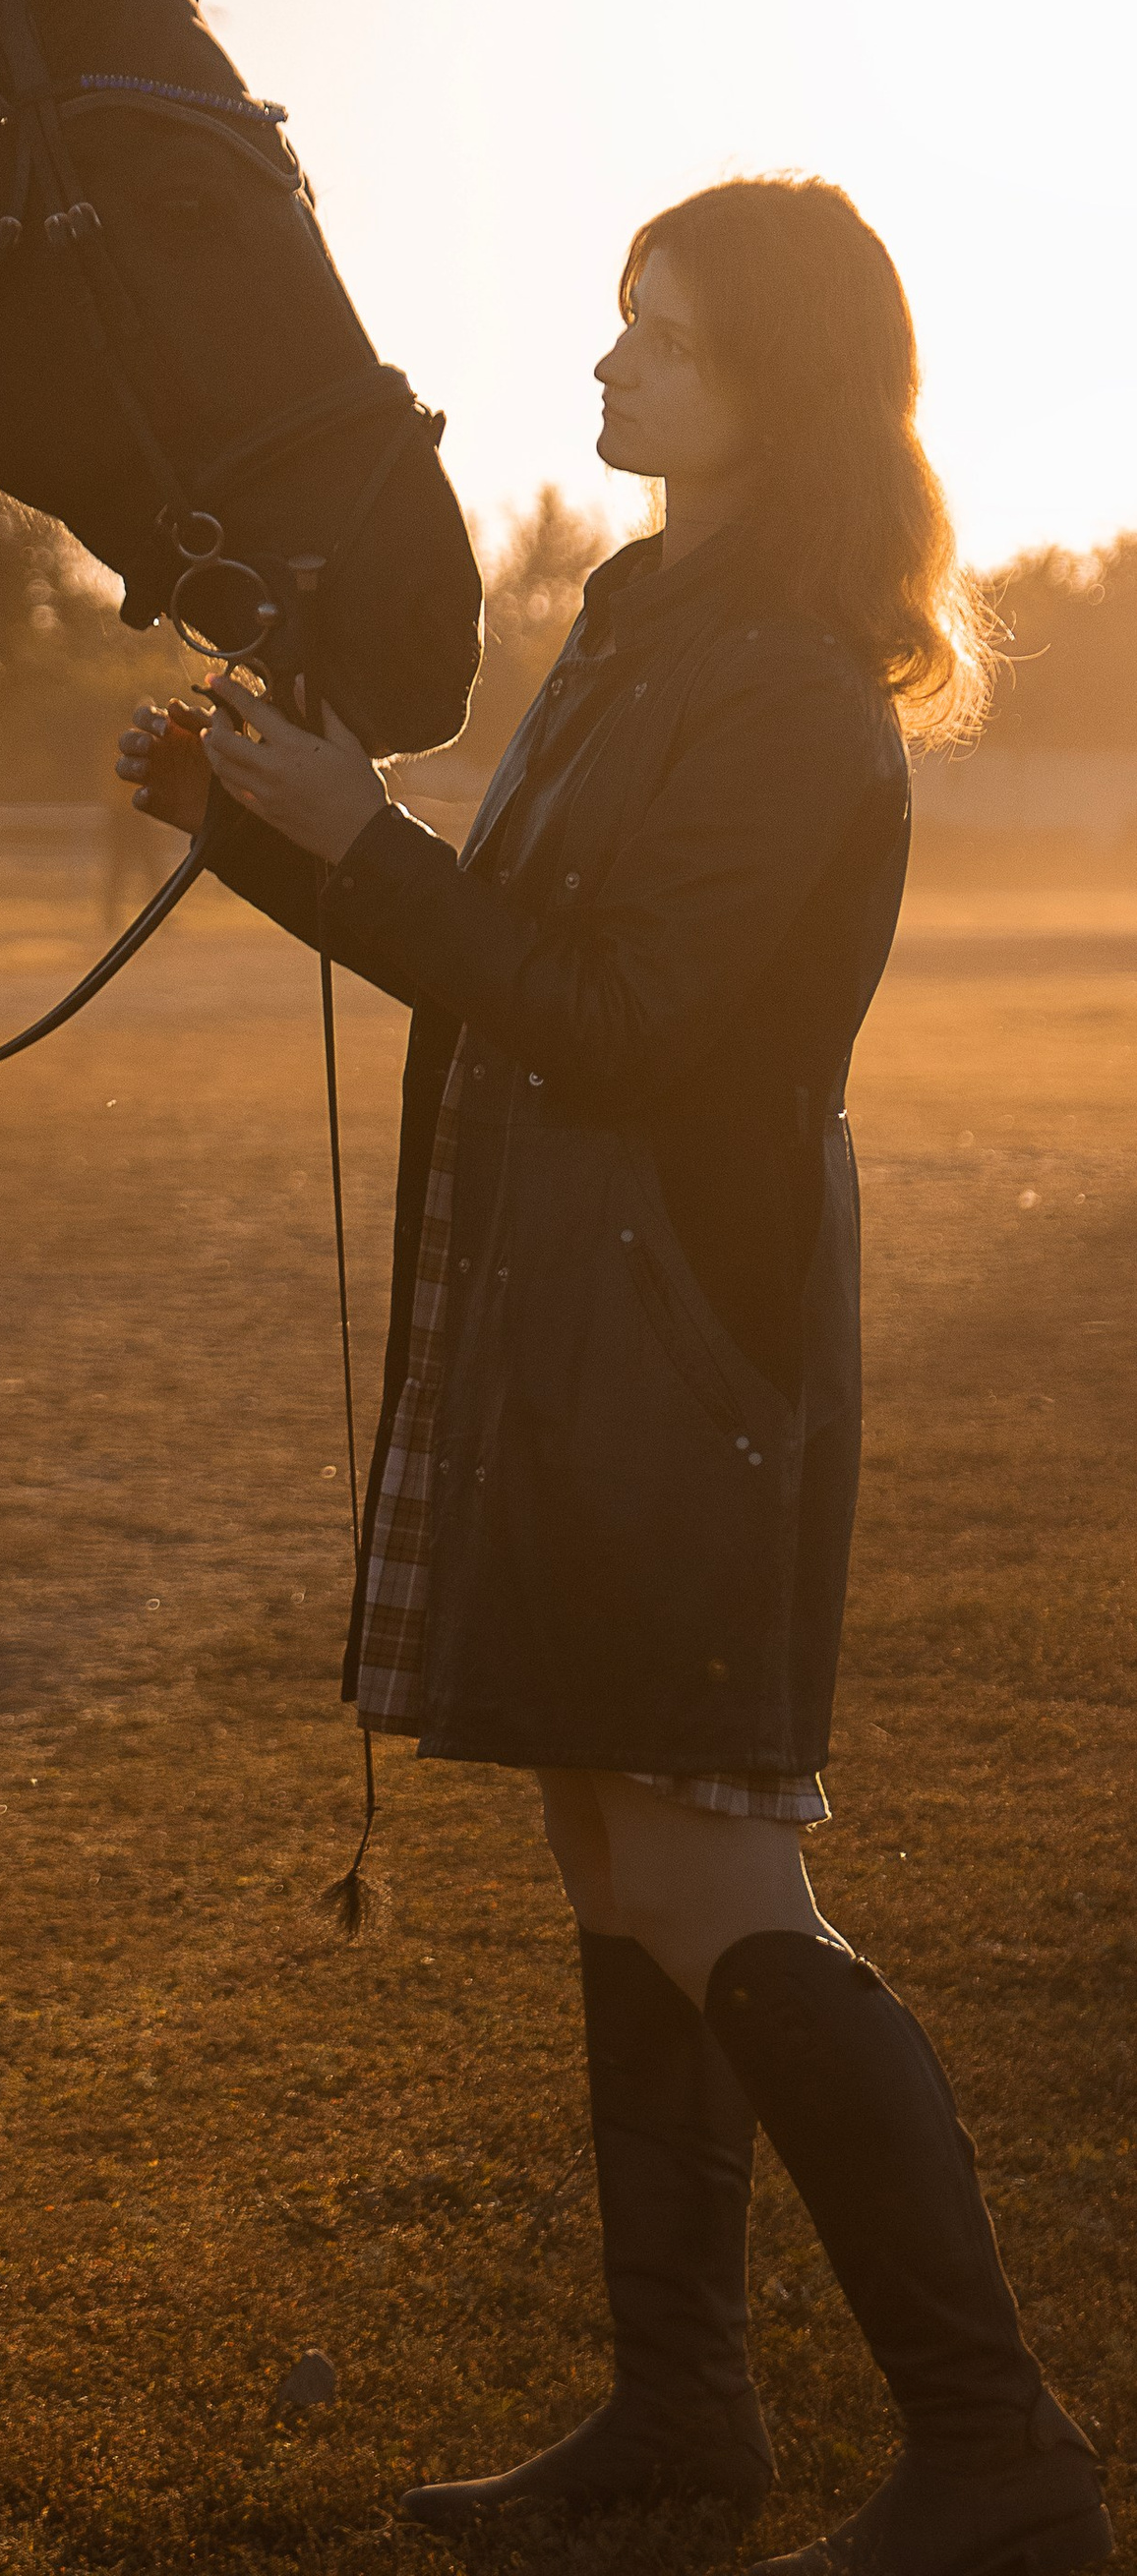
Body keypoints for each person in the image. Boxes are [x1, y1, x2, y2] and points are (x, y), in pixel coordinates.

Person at [118, 179, 1108, 2576]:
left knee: (699, 1867)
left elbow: (627, 1027)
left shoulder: (780, 685)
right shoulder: (651, 614)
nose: (597, 376)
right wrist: (269, 833)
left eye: (650, 339)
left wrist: (358, 835)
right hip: (576, 1310)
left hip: (684, 1327)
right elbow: (523, 945)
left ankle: (995, 2458)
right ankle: (680, 2412)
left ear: (770, 377)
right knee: (614, 1859)